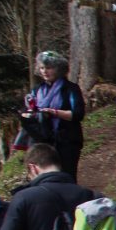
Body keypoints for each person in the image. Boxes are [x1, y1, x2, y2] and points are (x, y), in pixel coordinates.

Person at [20, 51, 85, 181]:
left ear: (59, 69)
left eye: (49, 68)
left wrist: (54, 112)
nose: (45, 71)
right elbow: (32, 110)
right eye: (42, 68)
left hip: (66, 141)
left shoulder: (70, 88)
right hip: (43, 141)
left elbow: (78, 114)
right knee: (45, 177)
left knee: (67, 176)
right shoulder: (37, 89)